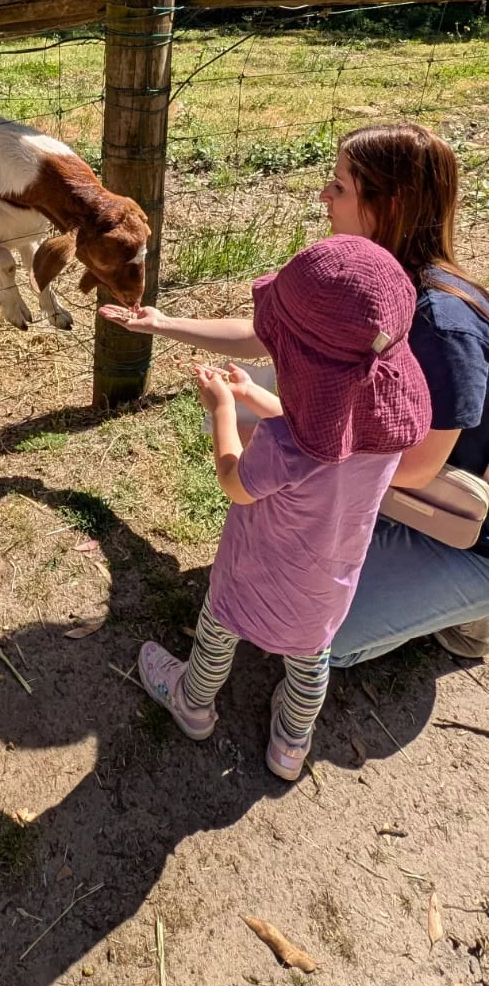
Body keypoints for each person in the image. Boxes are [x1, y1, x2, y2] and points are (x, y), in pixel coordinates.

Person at [101, 122, 489, 665]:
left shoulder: (444, 327)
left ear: (391, 204)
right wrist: (163, 324)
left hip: (455, 524)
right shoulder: (370, 281)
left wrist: (287, 443)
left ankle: (469, 618)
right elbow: (270, 336)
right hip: (375, 473)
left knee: (319, 638)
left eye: (341, 187)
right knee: (257, 385)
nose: (324, 196)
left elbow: (420, 469)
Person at [136, 235, 430, 780]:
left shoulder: (284, 447)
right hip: (329, 581)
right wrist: (255, 396)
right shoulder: (385, 421)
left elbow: (235, 483)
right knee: (310, 659)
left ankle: (191, 702)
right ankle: (291, 745)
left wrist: (224, 410)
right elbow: (324, 428)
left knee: (218, 629)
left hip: (254, 571)